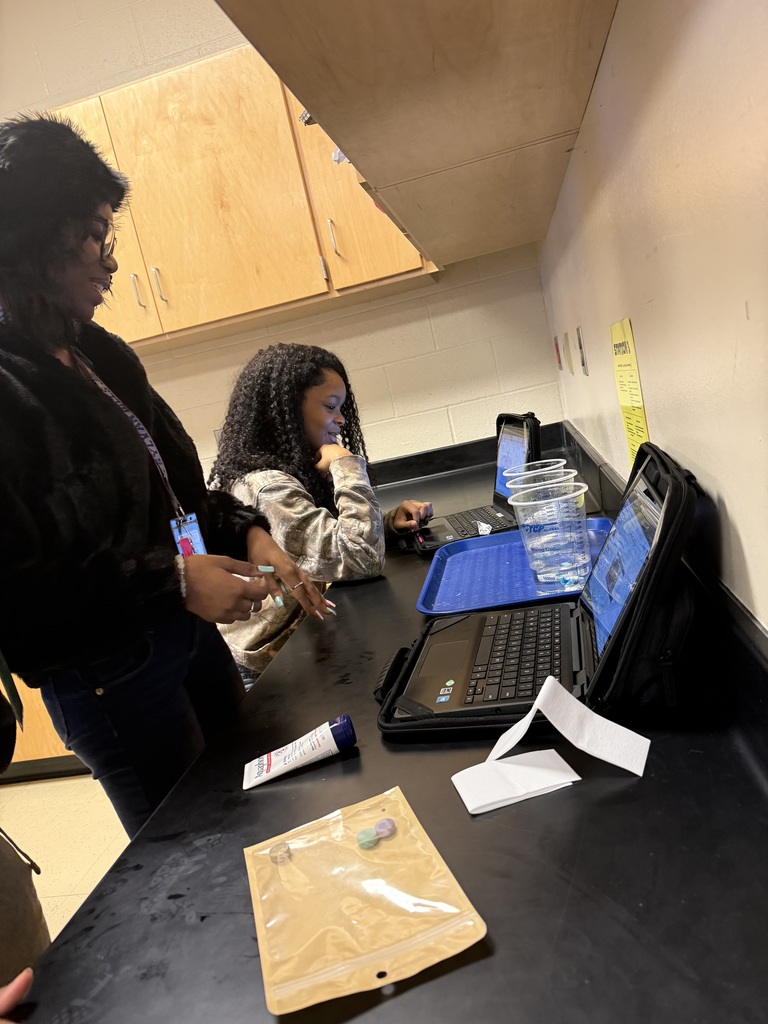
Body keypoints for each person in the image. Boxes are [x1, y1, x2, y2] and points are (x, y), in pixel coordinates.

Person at [0, 115, 331, 838]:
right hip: (110, 677)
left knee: (258, 818)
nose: (108, 261)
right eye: (90, 235)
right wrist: (173, 582)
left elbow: (171, 489)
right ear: (30, 240)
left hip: (179, 639)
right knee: (194, 869)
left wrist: (246, 535)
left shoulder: (97, 354)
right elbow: (18, 596)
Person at [209, 343, 432, 679]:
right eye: (331, 407)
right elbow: (360, 559)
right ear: (284, 411)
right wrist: (346, 465)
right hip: (274, 669)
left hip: (297, 647)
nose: (341, 419)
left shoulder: (288, 468)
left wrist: (385, 524)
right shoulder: (268, 487)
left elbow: (318, 547)